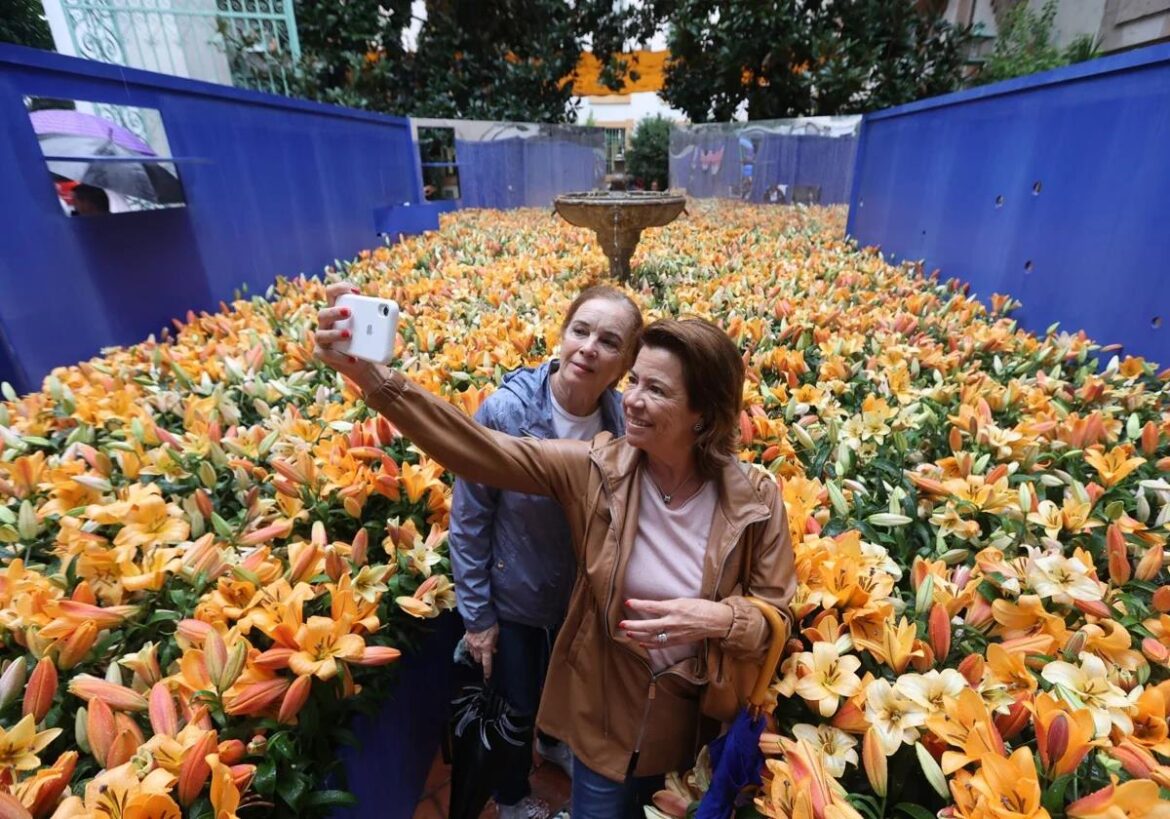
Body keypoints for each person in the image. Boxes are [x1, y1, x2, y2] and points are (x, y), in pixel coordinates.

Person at [314, 286, 795, 819]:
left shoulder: (756, 500)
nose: (632, 399)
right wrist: (371, 378)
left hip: (692, 725)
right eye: (634, 381)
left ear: (702, 414)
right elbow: (478, 449)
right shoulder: (598, 468)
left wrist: (719, 619)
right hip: (603, 719)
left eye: (655, 390)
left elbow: (776, 617)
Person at [450, 285, 642, 817]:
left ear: (625, 361)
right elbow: (469, 519)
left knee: (572, 695)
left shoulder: (624, 421)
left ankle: (555, 744)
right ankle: (512, 798)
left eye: (609, 341)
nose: (588, 348)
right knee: (514, 707)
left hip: (582, 602)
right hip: (518, 599)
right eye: (580, 331)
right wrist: (478, 616)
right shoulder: (507, 413)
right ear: (562, 334)